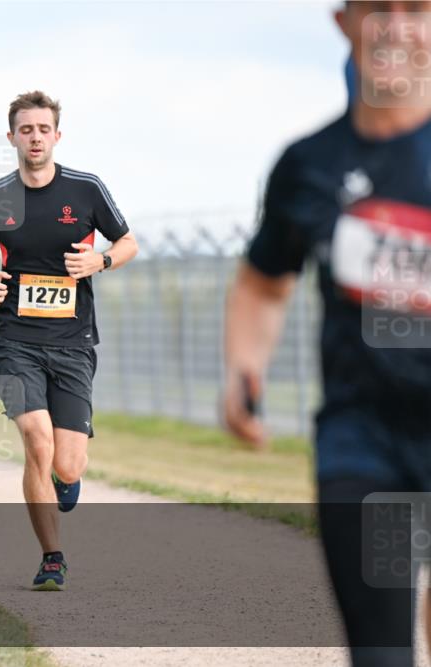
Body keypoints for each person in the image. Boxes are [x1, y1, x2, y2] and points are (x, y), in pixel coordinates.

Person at [223, 3, 431, 665]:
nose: (395, 27)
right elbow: (265, 280)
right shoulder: (309, 165)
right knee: (383, 652)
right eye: (377, 9)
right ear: (345, 24)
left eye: (416, 10)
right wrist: (243, 370)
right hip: (362, 442)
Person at [0, 91, 138, 591]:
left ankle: (65, 478)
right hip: (15, 340)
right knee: (37, 443)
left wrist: (98, 261)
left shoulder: (85, 189)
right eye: (26, 129)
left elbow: (128, 242)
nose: (35, 137)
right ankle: (52, 557)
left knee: (66, 462)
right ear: (12, 136)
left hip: (74, 342)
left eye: (44, 129)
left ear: (57, 135)